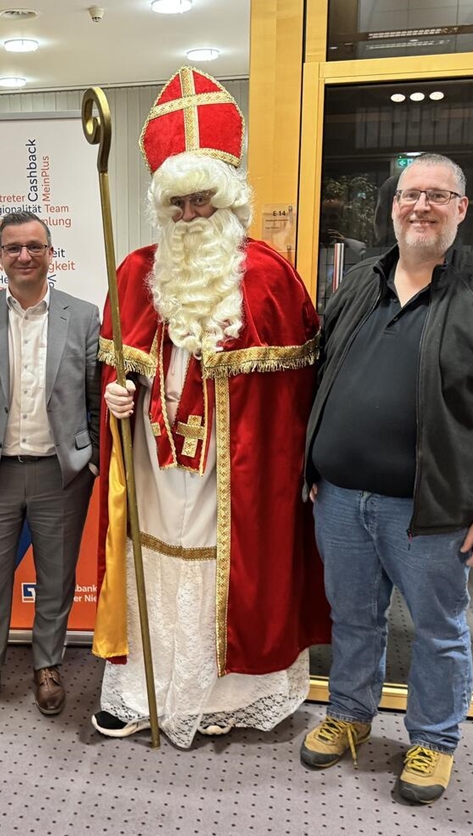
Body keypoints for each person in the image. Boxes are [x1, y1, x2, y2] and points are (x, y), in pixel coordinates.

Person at [92, 66, 330, 748]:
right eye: (179, 205)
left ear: (228, 202)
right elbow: (118, 373)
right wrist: (115, 396)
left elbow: (297, 401)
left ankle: (231, 696)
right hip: (156, 468)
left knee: (231, 571)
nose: (191, 216)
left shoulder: (269, 277)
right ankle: (145, 691)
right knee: (156, 565)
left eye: (203, 202)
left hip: (237, 475)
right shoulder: (136, 271)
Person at [301, 153, 473, 803]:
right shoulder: (357, 284)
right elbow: (323, 379)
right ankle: (349, 715)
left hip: (433, 508)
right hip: (341, 498)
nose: (421, 207)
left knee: (440, 628)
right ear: (393, 206)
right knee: (354, 618)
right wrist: (314, 466)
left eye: (439, 196)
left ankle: (434, 740)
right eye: (412, 194)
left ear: (460, 209)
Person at [0, 210, 100, 720]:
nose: (24, 256)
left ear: (50, 253)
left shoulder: (82, 315)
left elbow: (95, 397)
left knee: (56, 577)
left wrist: (92, 455)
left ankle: (47, 665)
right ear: (0, 256)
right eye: (13, 248)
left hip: (61, 473)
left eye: (34, 246)